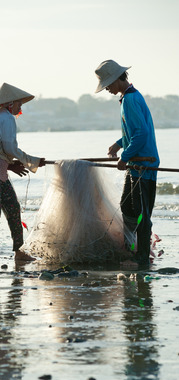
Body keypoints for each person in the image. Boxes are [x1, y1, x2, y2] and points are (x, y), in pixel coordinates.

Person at [94, 60, 160, 268]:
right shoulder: (129, 97)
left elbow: (141, 134)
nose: (107, 89)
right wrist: (118, 145)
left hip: (144, 164)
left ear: (117, 79)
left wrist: (125, 156)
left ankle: (141, 259)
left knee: (141, 214)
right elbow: (132, 133)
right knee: (127, 207)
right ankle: (132, 248)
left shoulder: (131, 100)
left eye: (108, 85)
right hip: (136, 163)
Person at [0, 82, 45, 262]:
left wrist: (10, 166)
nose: (20, 108)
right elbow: (10, 148)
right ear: (10, 103)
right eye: (19, 104)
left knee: (13, 208)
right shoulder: (6, 118)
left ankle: (19, 252)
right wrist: (32, 161)